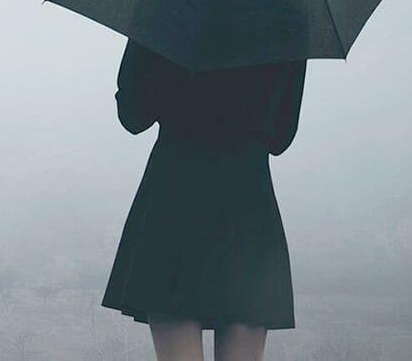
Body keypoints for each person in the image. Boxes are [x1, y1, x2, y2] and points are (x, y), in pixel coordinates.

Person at [101, 39, 306, 361]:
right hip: (248, 203)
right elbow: (281, 136)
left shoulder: (165, 6)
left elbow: (133, 115)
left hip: (173, 199)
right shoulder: (284, 17)